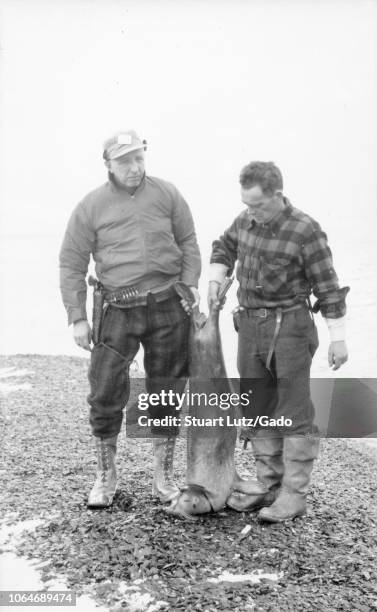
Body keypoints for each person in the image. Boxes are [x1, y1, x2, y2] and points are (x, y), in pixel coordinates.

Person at [59, 129, 201, 508]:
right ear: (108, 164)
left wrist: (190, 286)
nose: (134, 167)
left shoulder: (168, 193)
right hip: (117, 309)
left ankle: (163, 476)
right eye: (124, 161)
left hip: (169, 305)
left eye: (139, 158)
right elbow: (72, 261)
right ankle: (106, 476)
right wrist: (77, 318)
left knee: (167, 389)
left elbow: (188, 241)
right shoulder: (91, 205)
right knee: (104, 391)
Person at [208, 161, 349, 522]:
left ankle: (293, 496)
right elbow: (223, 246)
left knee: (294, 410)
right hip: (250, 325)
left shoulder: (306, 229)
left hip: (291, 327)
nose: (250, 211)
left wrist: (338, 339)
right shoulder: (245, 220)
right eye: (246, 204)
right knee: (256, 405)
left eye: (257, 204)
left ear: (276, 195)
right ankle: (268, 485)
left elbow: (328, 287)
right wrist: (215, 279)